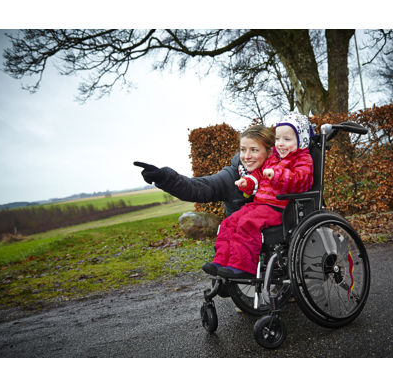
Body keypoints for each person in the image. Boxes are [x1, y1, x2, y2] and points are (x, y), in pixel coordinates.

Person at [203, 113, 314, 279]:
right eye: (278, 139)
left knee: (247, 223)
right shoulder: (274, 159)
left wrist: (277, 175)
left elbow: (301, 181)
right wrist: (248, 182)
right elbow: (259, 175)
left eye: (287, 139)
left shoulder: (302, 160)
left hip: (279, 208)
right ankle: (221, 261)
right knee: (229, 222)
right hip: (260, 204)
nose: (280, 143)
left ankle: (242, 266)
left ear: (301, 141)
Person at [134, 125, 275, 216]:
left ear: (269, 152)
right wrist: (164, 178)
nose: (247, 156)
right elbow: (198, 188)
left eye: (254, 150)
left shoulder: (283, 174)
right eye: (243, 150)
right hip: (241, 243)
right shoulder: (233, 176)